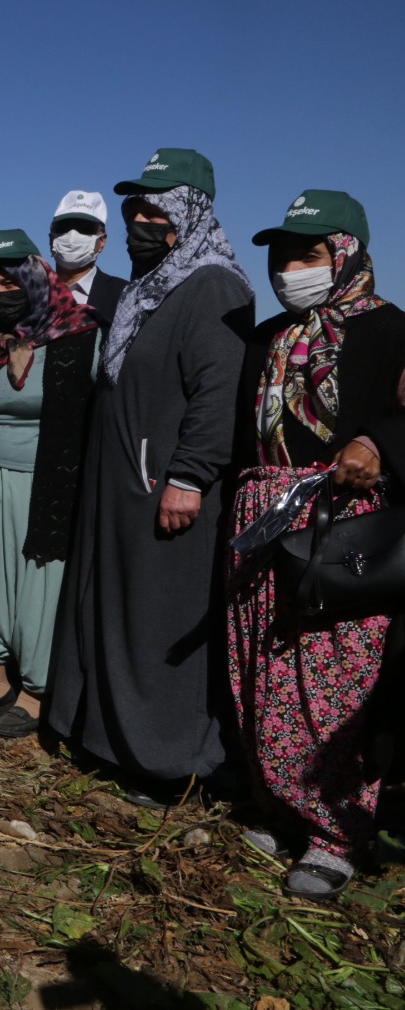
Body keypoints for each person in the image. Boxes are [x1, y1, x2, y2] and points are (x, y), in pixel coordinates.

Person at [47, 148, 254, 806]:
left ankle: (174, 764)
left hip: (164, 488)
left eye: (155, 207)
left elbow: (218, 390)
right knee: (120, 611)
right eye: (134, 207)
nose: (140, 218)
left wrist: (188, 475)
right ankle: (113, 742)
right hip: (119, 488)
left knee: (163, 622)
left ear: (189, 213)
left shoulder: (214, 285)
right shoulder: (150, 287)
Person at [226, 190, 405, 900]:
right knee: (262, 666)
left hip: (343, 523)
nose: (289, 266)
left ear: (348, 252)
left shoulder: (391, 331)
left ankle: (335, 833)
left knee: (333, 675)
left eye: (308, 253)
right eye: (280, 254)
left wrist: (378, 443)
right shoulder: (268, 337)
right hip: (263, 514)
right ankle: (277, 803)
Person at [0, 231, 102, 738]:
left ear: (36, 279)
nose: (0, 291)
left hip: (38, 482)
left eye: (10, 280)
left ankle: (35, 689)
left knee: (37, 584)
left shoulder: (78, 338)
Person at [46, 190, 126, 323]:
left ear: (102, 241)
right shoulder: (32, 295)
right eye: (63, 227)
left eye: (84, 228)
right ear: (51, 238)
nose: (72, 235)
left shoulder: (124, 294)